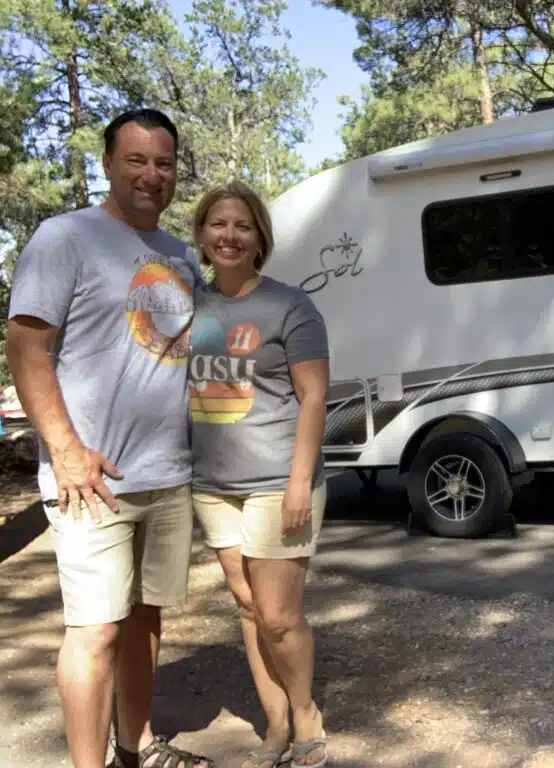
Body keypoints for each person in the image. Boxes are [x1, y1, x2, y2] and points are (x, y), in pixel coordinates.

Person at [5, 109, 213, 768]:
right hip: (91, 476)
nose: (152, 175)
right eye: (137, 160)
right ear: (108, 164)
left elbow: (189, 360)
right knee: (94, 630)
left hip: (167, 473)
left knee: (145, 618)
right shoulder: (66, 237)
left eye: (163, 162)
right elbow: (27, 347)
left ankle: (138, 746)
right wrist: (65, 450)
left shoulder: (182, 257)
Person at [187, 181, 330, 768]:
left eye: (242, 226)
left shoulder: (291, 306)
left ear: (259, 238)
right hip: (212, 485)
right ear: (200, 235)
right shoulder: (187, 306)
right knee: (247, 607)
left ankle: (306, 715)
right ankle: (273, 723)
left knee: (278, 615)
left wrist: (300, 482)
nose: (229, 235)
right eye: (218, 225)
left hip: (279, 480)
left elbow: (315, 396)